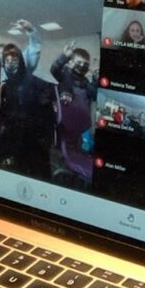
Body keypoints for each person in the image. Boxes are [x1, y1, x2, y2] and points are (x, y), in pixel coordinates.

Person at [0, 42, 57, 179]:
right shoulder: (6, 85)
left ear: (21, 60)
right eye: (7, 61)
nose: (11, 64)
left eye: (14, 60)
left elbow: (47, 113)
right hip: (15, 141)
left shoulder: (34, 81)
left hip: (35, 142)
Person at [50, 42, 98, 184]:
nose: (82, 66)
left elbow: (94, 93)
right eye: (79, 62)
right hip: (66, 122)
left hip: (82, 124)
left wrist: (96, 79)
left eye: (85, 64)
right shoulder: (66, 75)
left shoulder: (86, 82)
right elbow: (54, 69)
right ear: (71, 63)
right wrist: (64, 56)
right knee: (65, 149)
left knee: (80, 148)